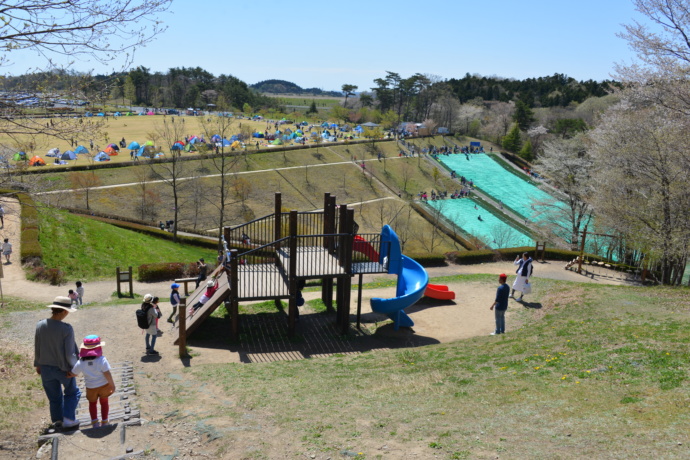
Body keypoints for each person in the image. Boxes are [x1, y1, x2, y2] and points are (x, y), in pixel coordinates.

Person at [34, 296, 81, 430]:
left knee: (54, 397)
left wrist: (37, 364)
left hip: (45, 369)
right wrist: (75, 369)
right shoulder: (66, 328)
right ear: (65, 312)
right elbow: (69, 353)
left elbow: (37, 346)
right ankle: (68, 419)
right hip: (63, 369)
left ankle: (57, 421)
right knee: (72, 393)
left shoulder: (40, 325)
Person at [71, 335, 115, 428]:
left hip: (91, 387)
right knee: (104, 402)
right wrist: (112, 385)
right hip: (104, 385)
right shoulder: (102, 360)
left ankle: (94, 423)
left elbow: (74, 373)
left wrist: (68, 374)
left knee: (92, 403)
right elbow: (107, 373)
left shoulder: (81, 362)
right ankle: (104, 421)